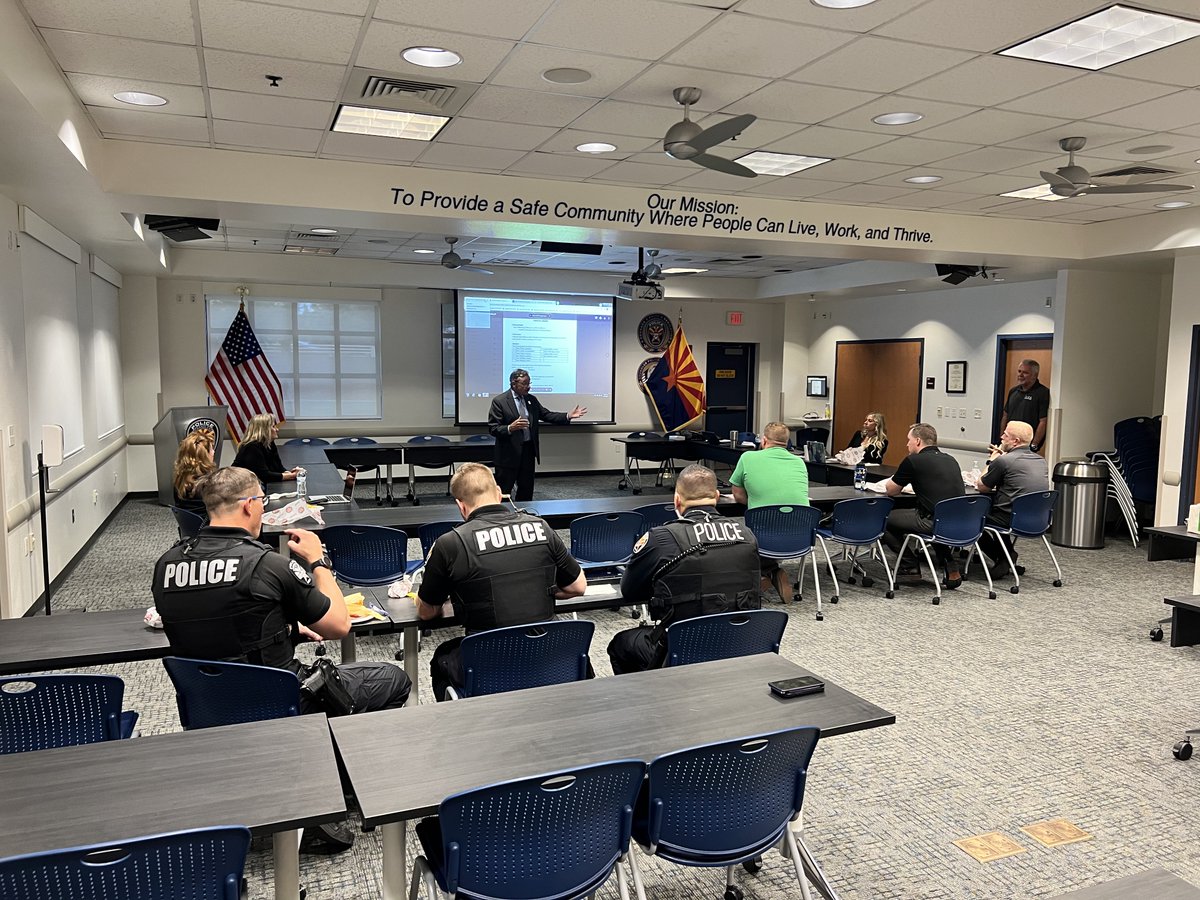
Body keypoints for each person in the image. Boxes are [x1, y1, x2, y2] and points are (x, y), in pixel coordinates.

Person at [151, 466, 411, 848]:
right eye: (262, 501)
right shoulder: (270, 564)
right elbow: (338, 625)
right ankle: (331, 793)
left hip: (210, 705)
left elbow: (217, 623)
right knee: (393, 679)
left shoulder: (167, 566)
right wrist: (317, 561)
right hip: (281, 702)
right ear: (247, 506)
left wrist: (285, 630)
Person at [416, 462, 587, 701]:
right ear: (498, 494)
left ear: (460, 506)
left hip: (488, 665)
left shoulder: (450, 543)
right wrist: (542, 589)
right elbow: (578, 586)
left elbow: (426, 612)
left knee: (442, 658)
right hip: (549, 657)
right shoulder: (541, 527)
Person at [607, 465, 761, 675]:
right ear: (716, 496)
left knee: (621, 644)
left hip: (682, 648)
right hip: (740, 644)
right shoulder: (747, 535)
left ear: (677, 499)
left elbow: (630, 591)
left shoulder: (660, 538)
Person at [729, 421, 808, 600]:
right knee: (767, 527)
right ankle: (771, 572)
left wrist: (758, 500)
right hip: (800, 535)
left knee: (744, 532)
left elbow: (738, 496)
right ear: (787, 444)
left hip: (764, 533)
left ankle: (766, 574)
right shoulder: (799, 462)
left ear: (763, 441)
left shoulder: (748, 458)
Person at [883, 423, 965, 588]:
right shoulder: (951, 459)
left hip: (932, 521)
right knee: (933, 515)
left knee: (881, 519)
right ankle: (950, 565)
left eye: (909, 440)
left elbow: (891, 490)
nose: (907, 444)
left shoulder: (914, 460)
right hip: (959, 521)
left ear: (918, 441)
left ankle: (909, 566)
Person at [488, 368, 587, 501]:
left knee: (526, 488)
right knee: (504, 490)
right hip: (508, 454)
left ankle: (525, 514)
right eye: (524, 384)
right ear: (513, 383)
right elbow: (493, 429)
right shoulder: (500, 401)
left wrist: (568, 416)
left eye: (529, 383)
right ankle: (503, 518)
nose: (528, 387)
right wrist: (510, 428)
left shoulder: (531, 400)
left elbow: (546, 415)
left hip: (528, 451)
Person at [974, 421, 1049, 578]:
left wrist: (992, 461)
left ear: (1015, 441)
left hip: (1010, 518)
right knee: (1001, 510)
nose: (1001, 437)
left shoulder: (1004, 461)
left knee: (972, 519)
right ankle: (1006, 557)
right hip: (1037, 519)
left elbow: (982, 486)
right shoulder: (1040, 461)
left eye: (1005, 435)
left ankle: (1004, 558)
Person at [232, 413, 300, 484]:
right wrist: (292, 475)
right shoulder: (252, 447)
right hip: (239, 487)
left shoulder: (269, 443)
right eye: (273, 427)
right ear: (264, 429)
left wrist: (292, 472)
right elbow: (264, 476)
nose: (277, 429)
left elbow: (278, 468)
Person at [999, 359, 1050, 453]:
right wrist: (1002, 438)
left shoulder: (1042, 393)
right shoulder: (1013, 391)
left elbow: (1043, 421)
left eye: (1025, 373)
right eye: (1019, 371)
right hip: (1010, 443)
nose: (1020, 375)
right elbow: (1005, 415)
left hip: (1027, 446)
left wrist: (1034, 444)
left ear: (1035, 375)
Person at [172, 428, 216, 512]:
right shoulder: (210, 484)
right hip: (207, 523)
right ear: (205, 456)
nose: (213, 452)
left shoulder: (180, 480)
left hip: (187, 524)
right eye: (211, 449)